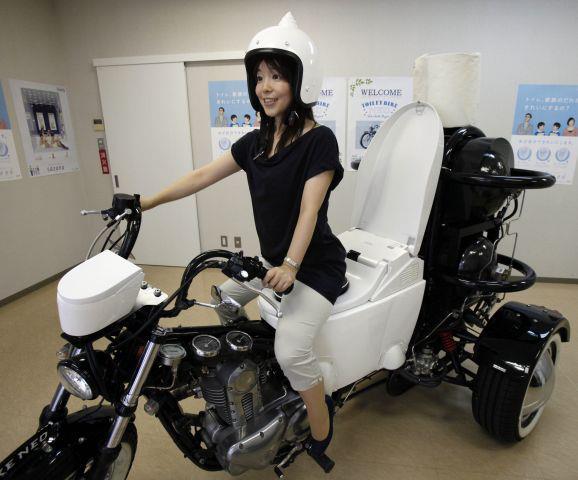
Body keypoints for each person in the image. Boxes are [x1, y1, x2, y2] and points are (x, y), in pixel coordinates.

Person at [140, 12, 344, 459]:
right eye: (258, 78)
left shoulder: (319, 141)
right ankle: (258, 372)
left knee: (292, 351)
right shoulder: (254, 143)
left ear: (301, 82)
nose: (264, 87)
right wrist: (147, 203)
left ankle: (321, 422)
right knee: (225, 299)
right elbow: (201, 175)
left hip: (315, 266)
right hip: (275, 265)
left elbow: (310, 210)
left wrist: (290, 266)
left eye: (276, 76)